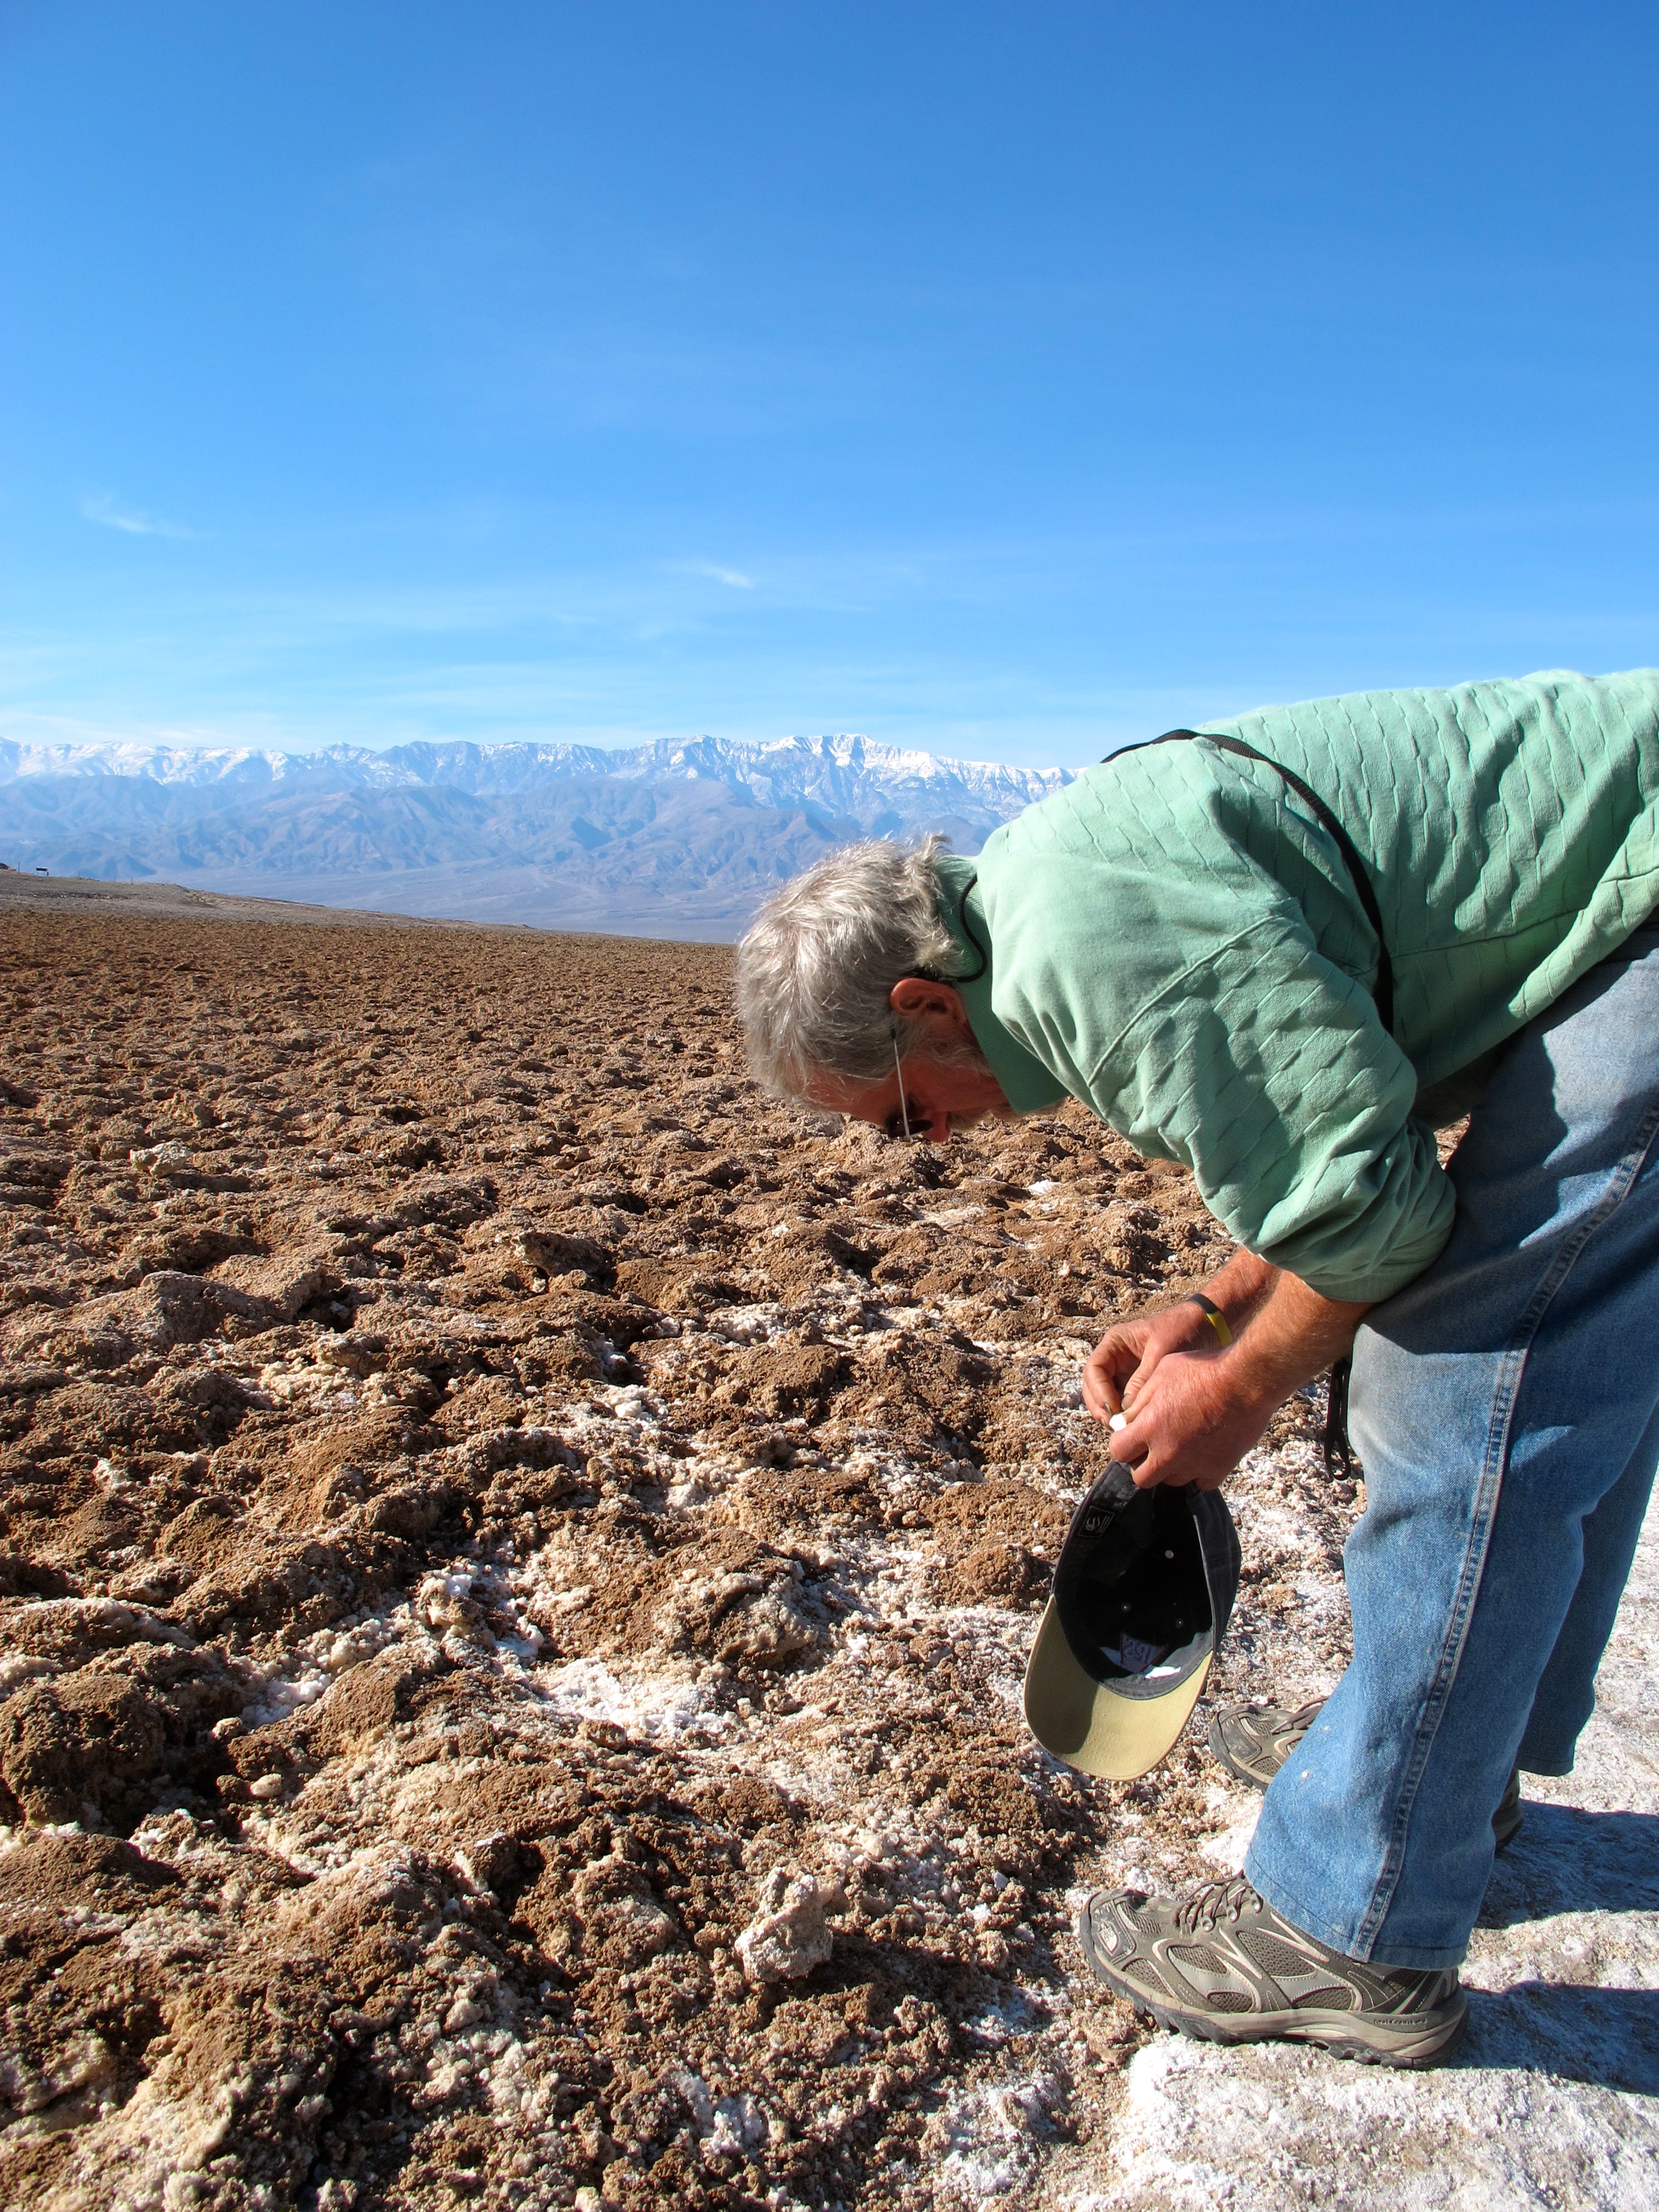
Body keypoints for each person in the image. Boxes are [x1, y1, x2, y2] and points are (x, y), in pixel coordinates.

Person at [735, 667, 1659, 2066]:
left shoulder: (1095, 968)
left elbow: (1381, 1222)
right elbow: (1347, 1142)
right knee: (1551, 1352)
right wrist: (1221, 1314)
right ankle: (1445, 1771)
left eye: (907, 1120)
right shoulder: (1051, 896)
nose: (940, 1144)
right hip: (1623, 907)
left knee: (1465, 1382)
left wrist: (1237, 1393)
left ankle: (1357, 1927)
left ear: (925, 1003)